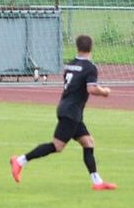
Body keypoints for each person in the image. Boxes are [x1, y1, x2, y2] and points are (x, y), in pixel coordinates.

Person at [10, 35, 117, 190]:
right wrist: (105, 92)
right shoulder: (90, 67)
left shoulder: (70, 65)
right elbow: (91, 89)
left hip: (67, 108)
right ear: (91, 47)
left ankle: (97, 182)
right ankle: (20, 161)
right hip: (71, 112)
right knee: (57, 146)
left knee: (88, 142)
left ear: (77, 47)